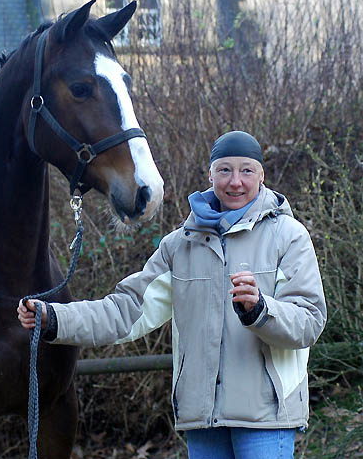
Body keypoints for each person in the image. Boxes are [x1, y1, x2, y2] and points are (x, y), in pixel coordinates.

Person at [17, 130, 327, 459]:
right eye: (224, 170)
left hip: (267, 420)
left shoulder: (289, 236)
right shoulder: (180, 244)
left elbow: (309, 321)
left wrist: (260, 310)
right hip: (202, 422)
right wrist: (55, 319)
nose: (235, 181)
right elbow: (126, 310)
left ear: (261, 176)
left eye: (246, 171)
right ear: (210, 175)